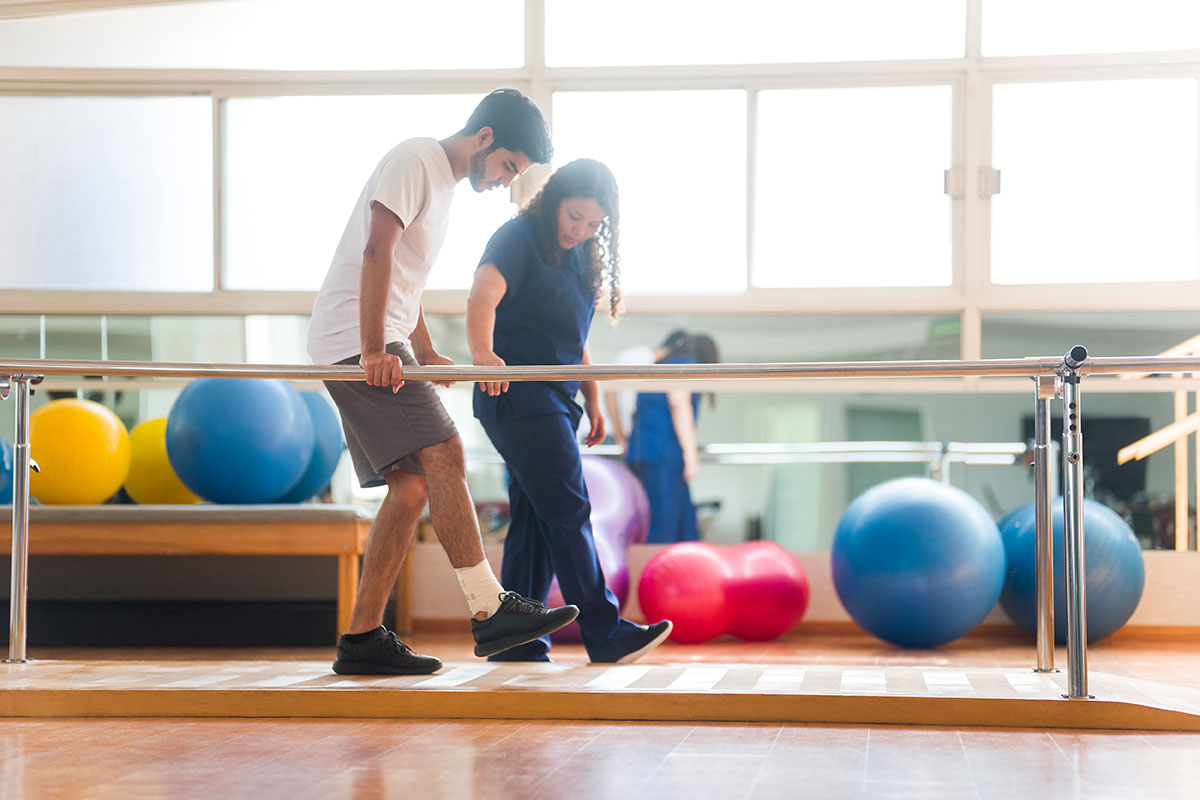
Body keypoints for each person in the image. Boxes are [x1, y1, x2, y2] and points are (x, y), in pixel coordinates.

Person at [307, 89, 579, 676]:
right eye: (508, 165)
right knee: (447, 453)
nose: (506, 181)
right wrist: (378, 348)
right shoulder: (415, 160)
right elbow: (377, 250)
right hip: (355, 340)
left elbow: (406, 275)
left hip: (374, 338)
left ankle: (361, 640)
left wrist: (425, 350)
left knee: (410, 489)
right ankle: (489, 608)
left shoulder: (443, 183)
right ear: (483, 138)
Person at [466, 158, 673, 663]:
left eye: (593, 224)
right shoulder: (518, 238)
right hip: (516, 397)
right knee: (569, 508)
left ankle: (514, 639)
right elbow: (481, 298)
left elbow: (573, 340)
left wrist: (594, 395)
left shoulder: (581, 256)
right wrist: (483, 357)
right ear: (554, 201)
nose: (579, 230)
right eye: (573, 216)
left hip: (556, 401)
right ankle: (605, 633)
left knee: (536, 519)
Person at [627, 333, 720, 543]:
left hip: (644, 453)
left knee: (679, 522)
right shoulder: (686, 365)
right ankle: (658, 574)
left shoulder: (659, 366)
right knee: (663, 529)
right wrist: (691, 455)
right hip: (663, 454)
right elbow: (679, 404)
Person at [602, 329, 688, 453]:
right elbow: (610, 392)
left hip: (619, 435)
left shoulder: (647, 361)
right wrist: (619, 436)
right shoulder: (640, 356)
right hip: (607, 434)